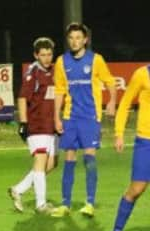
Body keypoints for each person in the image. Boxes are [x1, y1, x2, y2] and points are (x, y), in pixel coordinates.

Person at [50, 23, 116, 218]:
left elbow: (111, 83)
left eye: (78, 38)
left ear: (85, 40)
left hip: (90, 117)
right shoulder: (61, 62)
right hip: (70, 117)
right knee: (69, 159)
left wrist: (112, 102)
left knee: (89, 159)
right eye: (71, 38)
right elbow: (60, 92)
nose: (74, 41)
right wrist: (57, 117)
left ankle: (89, 203)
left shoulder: (96, 60)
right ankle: (65, 204)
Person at [8, 37, 58, 214]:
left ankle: (18, 190)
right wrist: (23, 123)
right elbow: (22, 98)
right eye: (43, 55)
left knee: (51, 164)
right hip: (37, 125)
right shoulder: (33, 73)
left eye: (49, 54)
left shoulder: (54, 71)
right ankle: (41, 204)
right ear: (36, 55)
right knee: (40, 160)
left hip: (50, 125)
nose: (46, 58)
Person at [104, 64, 150, 231]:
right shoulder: (142, 74)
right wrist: (119, 133)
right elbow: (125, 103)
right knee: (136, 189)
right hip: (146, 142)